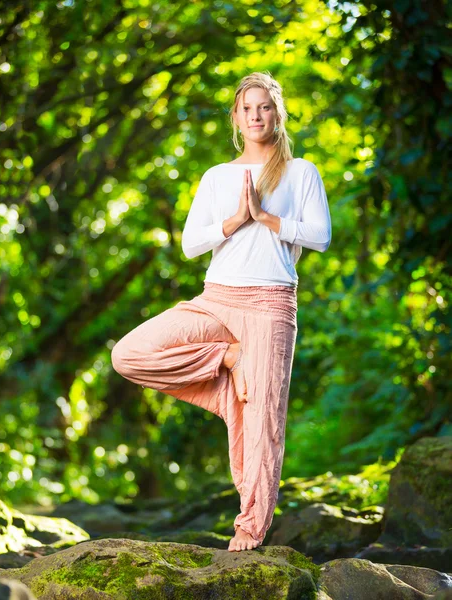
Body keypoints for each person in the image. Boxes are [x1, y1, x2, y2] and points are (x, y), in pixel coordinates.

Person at [111, 71, 332, 552]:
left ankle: (250, 529)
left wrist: (266, 217)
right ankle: (225, 360)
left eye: (265, 107)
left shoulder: (301, 172)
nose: (256, 115)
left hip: (272, 306)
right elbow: (191, 244)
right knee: (128, 354)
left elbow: (320, 236)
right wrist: (235, 220)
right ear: (235, 117)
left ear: (278, 114)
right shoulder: (217, 176)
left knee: (263, 422)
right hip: (216, 300)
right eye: (247, 108)